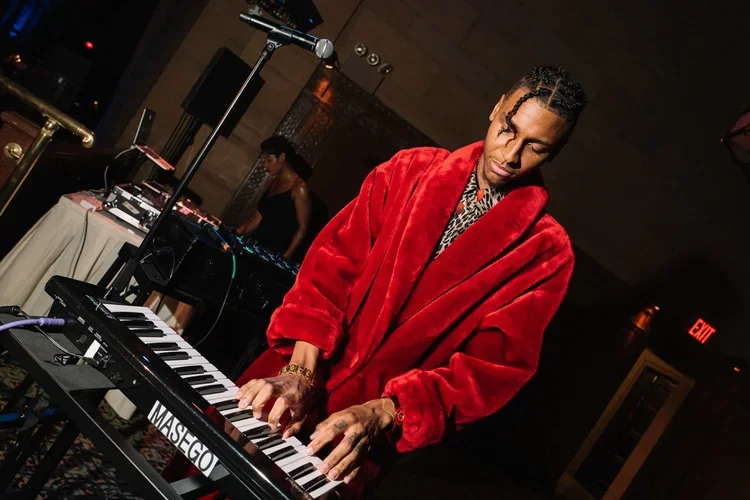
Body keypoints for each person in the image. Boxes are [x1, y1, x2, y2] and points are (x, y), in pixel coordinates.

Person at [164, 65, 587, 497]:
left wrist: (386, 412)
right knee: (190, 485)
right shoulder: (410, 169)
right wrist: (299, 373)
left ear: (555, 151)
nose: (511, 154)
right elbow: (330, 268)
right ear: (497, 108)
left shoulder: (546, 252)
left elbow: (488, 371)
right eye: (508, 130)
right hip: (289, 375)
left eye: (535, 147)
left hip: (356, 439)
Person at [236, 136, 312, 261]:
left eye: (269, 160)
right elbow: (256, 218)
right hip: (256, 245)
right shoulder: (272, 182)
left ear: (282, 157)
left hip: (274, 253)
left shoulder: (299, 187)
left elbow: (302, 228)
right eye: (264, 161)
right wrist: (234, 233)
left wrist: (285, 257)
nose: (265, 165)